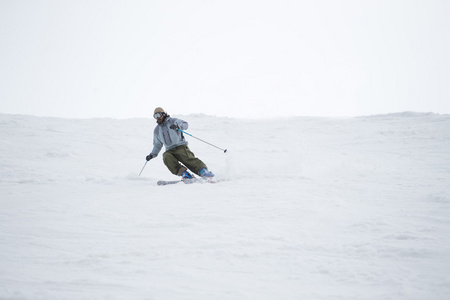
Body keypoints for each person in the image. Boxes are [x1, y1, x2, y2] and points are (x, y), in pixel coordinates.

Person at [145, 107, 214, 180]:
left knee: (189, 159)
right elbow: (157, 145)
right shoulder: (157, 130)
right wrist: (152, 155)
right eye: (155, 116)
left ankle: (204, 172)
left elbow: (186, 124)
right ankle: (185, 174)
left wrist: (178, 126)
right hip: (169, 150)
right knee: (166, 157)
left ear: (163, 114)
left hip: (180, 146)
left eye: (158, 115)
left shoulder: (173, 121)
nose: (157, 118)